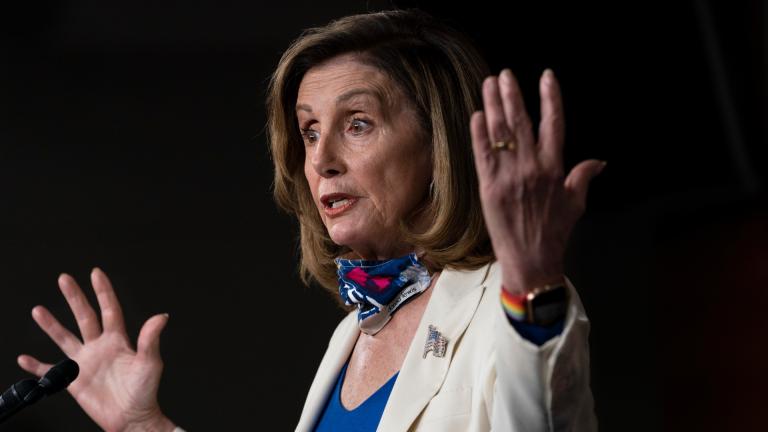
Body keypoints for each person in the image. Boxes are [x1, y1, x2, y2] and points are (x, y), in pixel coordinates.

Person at [17, 9, 603, 431]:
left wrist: (528, 284)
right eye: (310, 131)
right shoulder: (352, 335)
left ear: (437, 146)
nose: (320, 161)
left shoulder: (520, 307)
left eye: (358, 124)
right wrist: (143, 425)